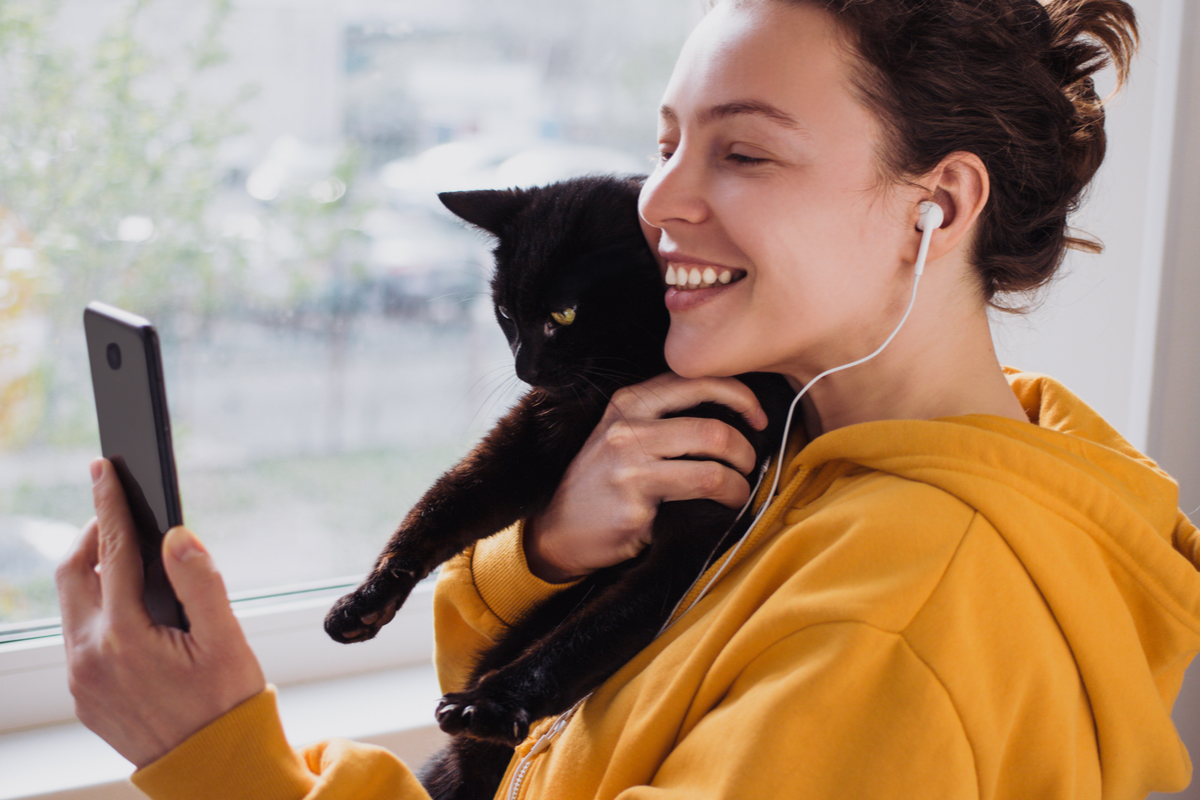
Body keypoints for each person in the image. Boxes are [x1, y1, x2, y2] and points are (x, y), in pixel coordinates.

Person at [56, 0, 1200, 798]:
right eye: (667, 143)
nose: (661, 202)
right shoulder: (798, 452)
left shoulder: (896, 619)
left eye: (743, 154)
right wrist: (549, 551)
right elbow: (551, 744)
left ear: (937, 205)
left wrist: (216, 752)